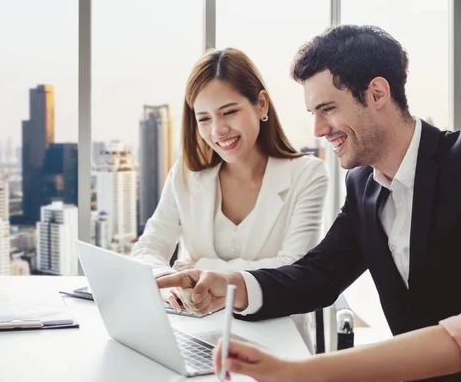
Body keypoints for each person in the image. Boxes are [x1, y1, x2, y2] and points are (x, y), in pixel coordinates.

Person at [155, 25, 461, 381]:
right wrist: (235, 286)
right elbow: (319, 275)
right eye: (313, 112)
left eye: (327, 109)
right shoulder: (362, 185)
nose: (318, 129)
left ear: (377, 93)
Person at [131, 48, 328, 349]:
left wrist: (201, 267)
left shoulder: (307, 175)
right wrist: (164, 280)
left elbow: (293, 269)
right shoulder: (186, 174)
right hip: (197, 338)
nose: (218, 130)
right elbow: (149, 247)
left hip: (276, 340)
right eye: (204, 119)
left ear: (261, 105)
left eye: (229, 112)